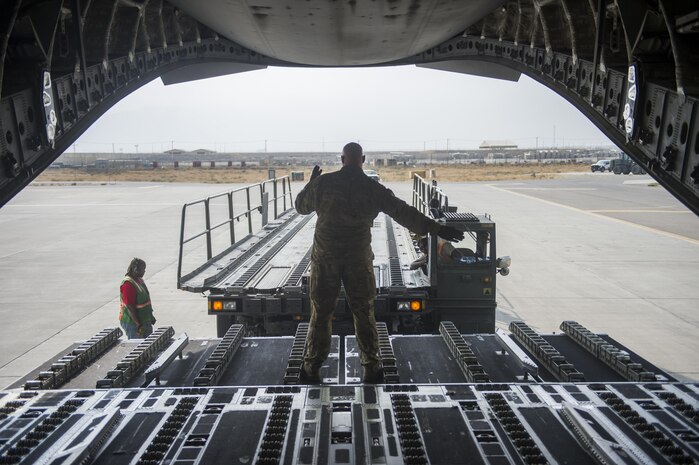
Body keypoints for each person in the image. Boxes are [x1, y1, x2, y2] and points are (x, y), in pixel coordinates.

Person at [295, 142, 464, 383]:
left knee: (321, 312)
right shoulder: (373, 188)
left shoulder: (324, 184)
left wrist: (311, 183)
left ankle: (312, 368)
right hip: (358, 261)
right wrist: (437, 229)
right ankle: (371, 368)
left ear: (342, 159)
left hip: (326, 260)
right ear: (362, 159)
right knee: (364, 312)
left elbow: (301, 207)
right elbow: (403, 212)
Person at [119, 258, 156, 339]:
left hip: (144, 320)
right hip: (133, 323)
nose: (144, 271)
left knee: (149, 345)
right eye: (143, 269)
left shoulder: (139, 280)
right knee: (138, 346)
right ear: (135, 269)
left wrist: (150, 317)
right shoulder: (128, 284)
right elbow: (130, 307)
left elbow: (145, 302)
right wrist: (138, 324)